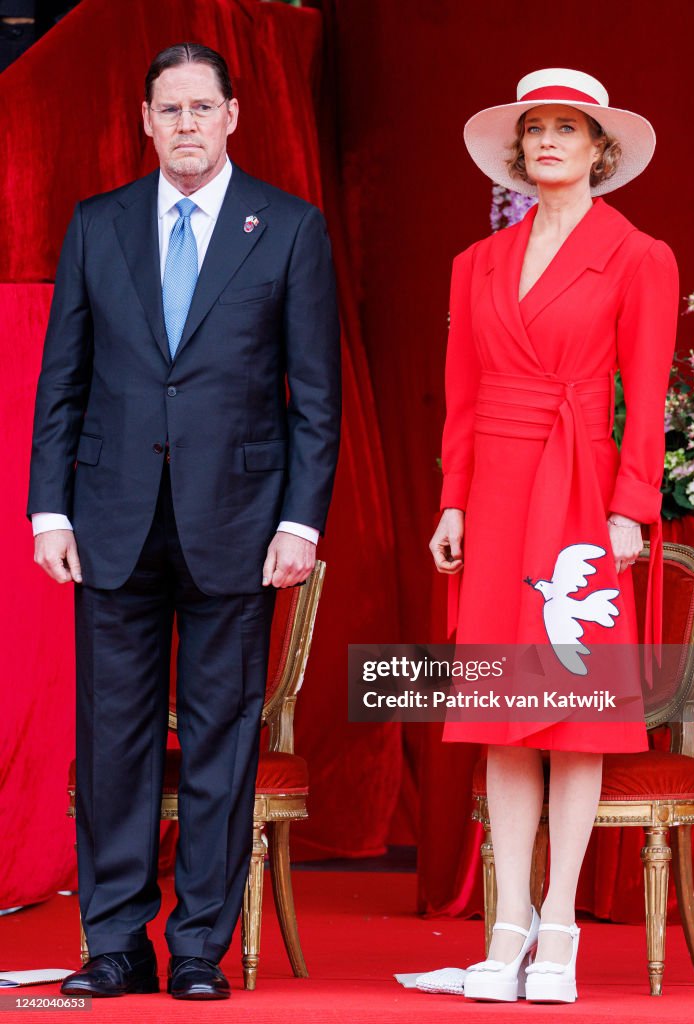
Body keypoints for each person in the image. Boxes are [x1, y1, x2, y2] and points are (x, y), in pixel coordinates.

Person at [28, 42, 341, 1000]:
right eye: (171, 110)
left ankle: (199, 944)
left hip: (240, 527)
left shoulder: (287, 228)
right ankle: (116, 943)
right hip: (111, 519)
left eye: (204, 107)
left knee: (219, 739)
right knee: (113, 740)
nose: (188, 125)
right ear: (147, 121)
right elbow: (63, 382)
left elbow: (316, 399)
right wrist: (49, 508)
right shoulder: (98, 225)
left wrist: (301, 522)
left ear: (233, 116)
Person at [429, 67, 678, 1003]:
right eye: (535, 129)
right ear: (516, 151)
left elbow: (644, 398)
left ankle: (562, 928)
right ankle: (506, 928)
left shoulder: (639, 254)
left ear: (598, 150)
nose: (548, 143)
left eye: (567, 129)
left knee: (576, 711)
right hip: (494, 488)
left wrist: (629, 510)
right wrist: (452, 502)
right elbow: (461, 396)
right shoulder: (474, 263)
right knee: (500, 707)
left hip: (580, 490)